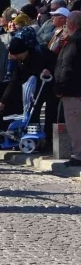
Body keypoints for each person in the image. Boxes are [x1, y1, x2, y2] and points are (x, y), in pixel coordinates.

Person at [54, 11, 81, 167]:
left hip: (73, 91)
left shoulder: (74, 42)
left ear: (71, 24)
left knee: (75, 125)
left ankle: (79, 156)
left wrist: (60, 88)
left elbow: (67, 67)